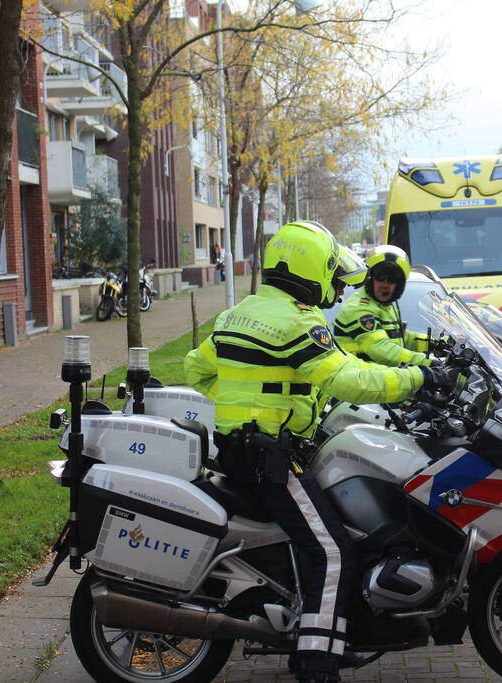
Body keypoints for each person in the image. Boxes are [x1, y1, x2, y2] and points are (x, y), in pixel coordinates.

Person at [184, 221, 453, 683]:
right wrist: (421, 378)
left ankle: (337, 630)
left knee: (331, 532)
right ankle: (316, 662)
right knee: (333, 552)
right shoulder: (297, 320)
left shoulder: (237, 314)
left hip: (241, 450)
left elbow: (196, 369)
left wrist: (248, 403)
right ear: (310, 268)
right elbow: (348, 380)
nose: (334, 283)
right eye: (330, 271)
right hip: (268, 461)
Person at [333, 245, 431, 368]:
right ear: (370, 279)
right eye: (380, 277)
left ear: (399, 285)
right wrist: (428, 361)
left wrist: (435, 343)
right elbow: (381, 349)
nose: (385, 284)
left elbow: (402, 337)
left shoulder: (387, 308)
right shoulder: (358, 308)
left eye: (391, 280)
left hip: (382, 380)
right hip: (362, 382)